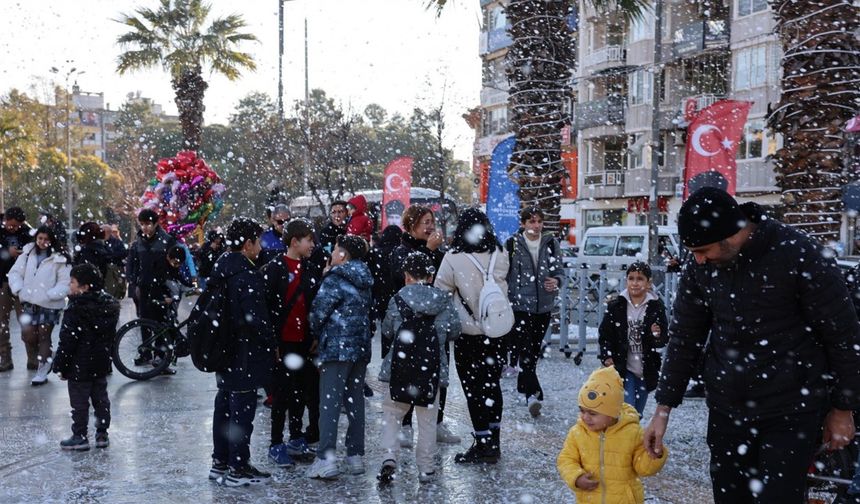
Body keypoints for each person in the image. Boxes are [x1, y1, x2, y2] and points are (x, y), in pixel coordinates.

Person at [643, 187, 860, 503]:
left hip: (791, 413)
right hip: (726, 412)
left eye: (703, 250)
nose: (698, 261)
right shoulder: (700, 266)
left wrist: (843, 408)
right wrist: (663, 409)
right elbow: (684, 338)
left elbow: (843, 337)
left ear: (732, 235)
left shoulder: (798, 253)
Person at [377, 252, 461, 484]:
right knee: (427, 421)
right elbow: (455, 330)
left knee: (392, 415)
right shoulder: (443, 300)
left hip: (398, 368)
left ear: (407, 277)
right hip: (430, 370)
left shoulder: (398, 299)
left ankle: (389, 459)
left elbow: (387, 330)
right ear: (431, 275)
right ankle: (426, 468)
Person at [434, 208, 510, 464]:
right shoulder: (500, 253)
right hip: (497, 331)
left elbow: (440, 293)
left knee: (473, 389)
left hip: (468, 334)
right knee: (492, 385)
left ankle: (482, 442)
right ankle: (495, 442)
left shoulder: (453, 258)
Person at [208, 218, 275, 488]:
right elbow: (255, 319)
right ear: (247, 244)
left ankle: (220, 462)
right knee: (242, 410)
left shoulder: (221, 267)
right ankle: (238, 467)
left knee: (224, 404)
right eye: (257, 241)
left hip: (223, 350)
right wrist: (270, 343)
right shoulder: (247, 275)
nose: (259, 247)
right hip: (243, 352)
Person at [385, 206, 458, 446]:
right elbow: (401, 280)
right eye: (425, 222)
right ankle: (404, 425)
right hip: (407, 327)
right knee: (405, 374)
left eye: (432, 222)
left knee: (437, 372)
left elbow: (441, 279)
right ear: (411, 224)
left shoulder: (437, 251)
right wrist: (428, 250)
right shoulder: (400, 250)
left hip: (433, 325)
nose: (430, 226)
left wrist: (434, 252)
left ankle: (436, 423)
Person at [306, 234, 373, 480]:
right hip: (360, 347)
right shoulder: (365, 277)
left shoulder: (335, 278)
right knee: (355, 401)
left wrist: (314, 333)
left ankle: (326, 457)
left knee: (330, 402)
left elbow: (319, 311)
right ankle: (355, 456)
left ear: (343, 254)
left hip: (336, 346)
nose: (331, 254)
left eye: (335, 249)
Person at [262, 219, 324, 467]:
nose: (313, 245)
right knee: (281, 395)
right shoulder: (274, 268)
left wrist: (315, 335)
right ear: (295, 241)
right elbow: (266, 308)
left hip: (304, 343)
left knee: (302, 393)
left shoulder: (310, 268)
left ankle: (296, 439)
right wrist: (271, 341)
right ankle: (276, 443)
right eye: (309, 240)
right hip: (282, 343)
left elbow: (313, 305)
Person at [557, 366, 667, 503]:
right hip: (590, 499)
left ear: (612, 414)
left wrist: (655, 453)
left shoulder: (632, 433)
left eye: (592, 413)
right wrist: (576, 477)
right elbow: (566, 459)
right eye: (582, 410)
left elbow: (644, 469)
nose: (585, 417)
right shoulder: (577, 433)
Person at [53, 263, 120, 451]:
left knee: (80, 403)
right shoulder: (108, 307)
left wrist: (60, 365)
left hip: (79, 364)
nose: (69, 286)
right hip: (100, 361)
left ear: (85, 286)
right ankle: (102, 433)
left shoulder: (75, 309)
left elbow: (67, 341)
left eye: (72, 282)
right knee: (100, 398)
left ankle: (80, 435)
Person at [504, 207, 563, 417]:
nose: (536, 226)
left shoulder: (550, 243)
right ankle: (533, 394)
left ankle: (523, 385)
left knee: (533, 348)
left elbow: (559, 271)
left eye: (539, 221)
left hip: (544, 305)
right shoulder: (512, 244)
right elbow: (504, 273)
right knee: (526, 350)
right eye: (531, 222)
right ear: (523, 223)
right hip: (520, 306)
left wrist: (556, 280)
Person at [597, 261, 668, 416]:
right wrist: (607, 355)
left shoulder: (656, 306)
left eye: (640, 279)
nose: (635, 283)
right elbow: (605, 334)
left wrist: (656, 335)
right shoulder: (616, 305)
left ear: (649, 283)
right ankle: (623, 436)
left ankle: (629, 435)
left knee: (637, 412)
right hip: (623, 366)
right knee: (628, 408)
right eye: (631, 278)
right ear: (626, 280)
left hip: (645, 367)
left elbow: (663, 338)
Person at [7, 225, 72, 385]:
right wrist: (19, 288)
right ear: (36, 238)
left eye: (46, 239)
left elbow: (65, 281)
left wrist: (51, 294)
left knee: (44, 335)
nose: (42, 242)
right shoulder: (28, 254)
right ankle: (49, 355)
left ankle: (42, 370)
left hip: (50, 304)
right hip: (29, 301)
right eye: (40, 238)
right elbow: (15, 273)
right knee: (28, 335)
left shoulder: (59, 258)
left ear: (52, 241)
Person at [0, 207, 33, 371]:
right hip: (2, 282)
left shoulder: (27, 233)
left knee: (27, 321)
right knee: (1, 322)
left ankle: (33, 359)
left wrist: (24, 254)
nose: (12, 228)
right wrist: (6, 252)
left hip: (22, 283)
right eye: (10, 225)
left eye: (16, 226)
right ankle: (5, 358)